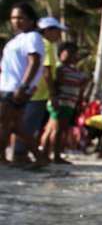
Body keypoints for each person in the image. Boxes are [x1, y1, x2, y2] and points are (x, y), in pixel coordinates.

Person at [0, 2, 49, 169]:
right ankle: (39, 157)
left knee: (5, 123)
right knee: (14, 125)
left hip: (16, 87)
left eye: (21, 17)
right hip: (7, 85)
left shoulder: (33, 37)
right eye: (14, 18)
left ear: (30, 19)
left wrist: (23, 85)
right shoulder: (17, 39)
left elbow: (34, 62)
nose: (16, 21)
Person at [12, 16, 64, 164]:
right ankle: (20, 154)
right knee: (27, 125)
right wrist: (53, 94)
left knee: (21, 123)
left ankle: (21, 153)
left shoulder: (31, 41)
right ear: (47, 30)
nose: (59, 35)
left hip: (33, 90)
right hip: (38, 92)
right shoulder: (45, 44)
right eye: (57, 31)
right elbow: (46, 71)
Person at [41, 41, 85, 164]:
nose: (73, 55)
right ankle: (53, 155)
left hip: (69, 103)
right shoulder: (59, 69)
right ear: (61, 53)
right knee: (56, 129)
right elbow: (54, 83)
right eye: (69, 52)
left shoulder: (74, 71)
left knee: (60, 129)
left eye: (74, 53)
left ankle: (48, 154)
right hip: (60, 102)